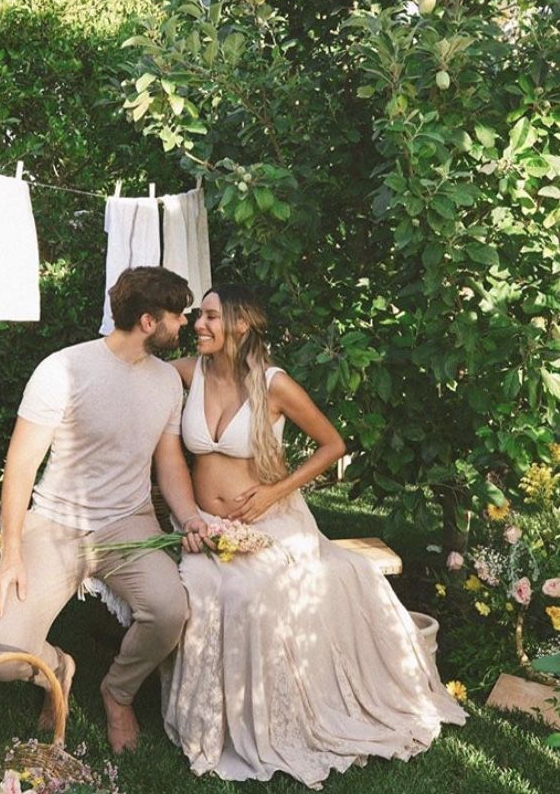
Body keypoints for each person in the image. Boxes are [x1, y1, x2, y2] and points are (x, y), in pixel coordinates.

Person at [161, 284, 467, 789]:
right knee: (200, 588)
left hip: (272, 521)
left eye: (211, 317)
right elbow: (138, 383)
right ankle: (208, 725)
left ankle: (267, 725)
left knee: (248, 591)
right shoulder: (188, 374)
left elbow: (332, 444)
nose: (199, 324)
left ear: (240, 324)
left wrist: (271, 492)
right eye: (199, 316)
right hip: (202, 524)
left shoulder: (274, 384)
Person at [0, 266, 210, 754]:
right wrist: (13, 553)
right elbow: (21, 465)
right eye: (178, 315)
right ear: (149, 322)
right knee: (3, 660)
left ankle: (118, 692)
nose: (185, 324)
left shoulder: (168, 382)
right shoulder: (62, 369)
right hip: (56, 524)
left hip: (128, 525)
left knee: (170, 611)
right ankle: (59, 670)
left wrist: (190, 517)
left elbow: (169, 462)